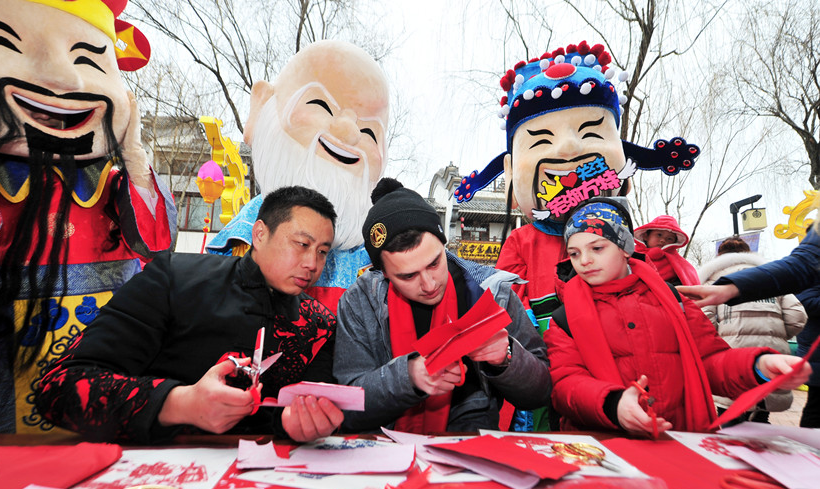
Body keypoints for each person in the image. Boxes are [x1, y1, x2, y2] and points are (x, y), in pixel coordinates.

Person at [0, 0, 176, 434]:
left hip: (102, 349)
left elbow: (157, 241)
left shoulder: (113, 181)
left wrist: (136, 157)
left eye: (88, 58)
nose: (66, 78)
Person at [35, 186, 343, 444]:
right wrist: (179, 404)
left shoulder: (318, 325)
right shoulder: (176, 278)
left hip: (268, 485)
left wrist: (296, 424)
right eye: (302, 244)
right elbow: (58, 387)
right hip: (151, 477)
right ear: (260, 234)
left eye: (322, 251)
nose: (311, 263)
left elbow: (303, 407)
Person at [451, 41, 699, 331]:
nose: (569, 146)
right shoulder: (521, 245)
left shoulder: (623, 238)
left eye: (592, 131)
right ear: (509, 175)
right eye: (542, 138)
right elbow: (510, 307)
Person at [544, 198, 810, 435]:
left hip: (678, 438)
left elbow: (709, 361)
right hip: (603, 444)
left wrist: (759, 366)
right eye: (574, 253)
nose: (584, 261)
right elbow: (565, 384)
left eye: (597, 248)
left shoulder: (672, 300)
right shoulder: (564, 319)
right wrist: (613, 405)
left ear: (624, 247)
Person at [333, 179, 552, 433]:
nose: (428, 284)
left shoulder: (490, 292)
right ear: (382, 273)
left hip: (469, 453)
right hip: (383, 452)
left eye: (435, 263)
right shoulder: (360, 302)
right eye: (408, 276)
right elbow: (345, 406)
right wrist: (408, 377)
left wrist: (507, 358)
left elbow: (541, 393)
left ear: (443, 243)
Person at [207, 40, 389, 313]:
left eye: (370, 133)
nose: (349, 133)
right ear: (261, 107)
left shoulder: (381, 261)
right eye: (321, 105)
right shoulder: (232, 251)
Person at [678, 225, 820, 428]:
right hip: (772, 355)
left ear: (720, 256)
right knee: (762, 419)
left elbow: (704, 324)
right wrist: (776, 333)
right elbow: (797, 316)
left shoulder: (712, 283)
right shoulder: (775, 281)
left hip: (728, 356)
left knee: (730, 418)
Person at [634, 215, 700, 285]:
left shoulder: (678, 262)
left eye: (669, 239)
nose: (663, 240)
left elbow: (690, 285)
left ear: (674, 243)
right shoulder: (631, 253)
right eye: (659, 235)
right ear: (646, 236)